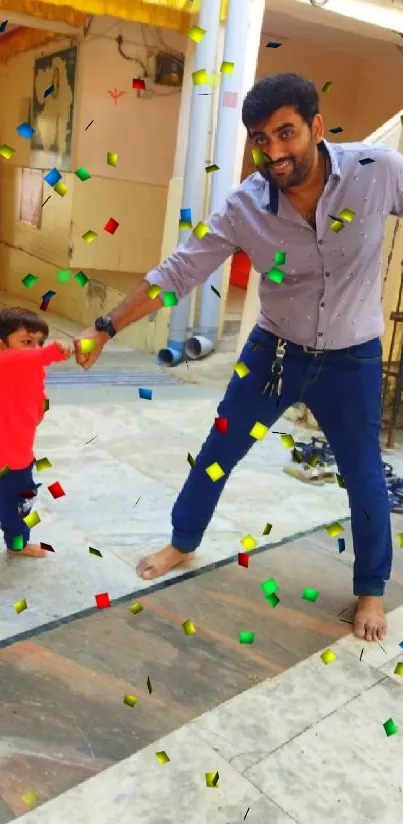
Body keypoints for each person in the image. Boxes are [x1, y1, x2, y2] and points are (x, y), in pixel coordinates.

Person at [74, 72, 403, 643]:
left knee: (364, 475)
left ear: (316, 127)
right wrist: (105, 328)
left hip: (352, 359)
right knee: (219, 450)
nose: (273, 151)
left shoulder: (376, 173)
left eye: (287, 133)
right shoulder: (245, 206)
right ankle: (183, 542)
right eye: (260, 138)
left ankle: (371, 588)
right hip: (272, 352)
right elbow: (178, 273)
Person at [0, 308, 71, 558]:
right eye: (26, 342)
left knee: (21, 506)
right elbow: (18, 360)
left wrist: (39, 407)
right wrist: (50, 352)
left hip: (21, 458)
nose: (34, 349)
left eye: (39, 343)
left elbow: (39, 396)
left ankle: (17, 545)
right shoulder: (4, 363)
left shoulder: (33, 369)